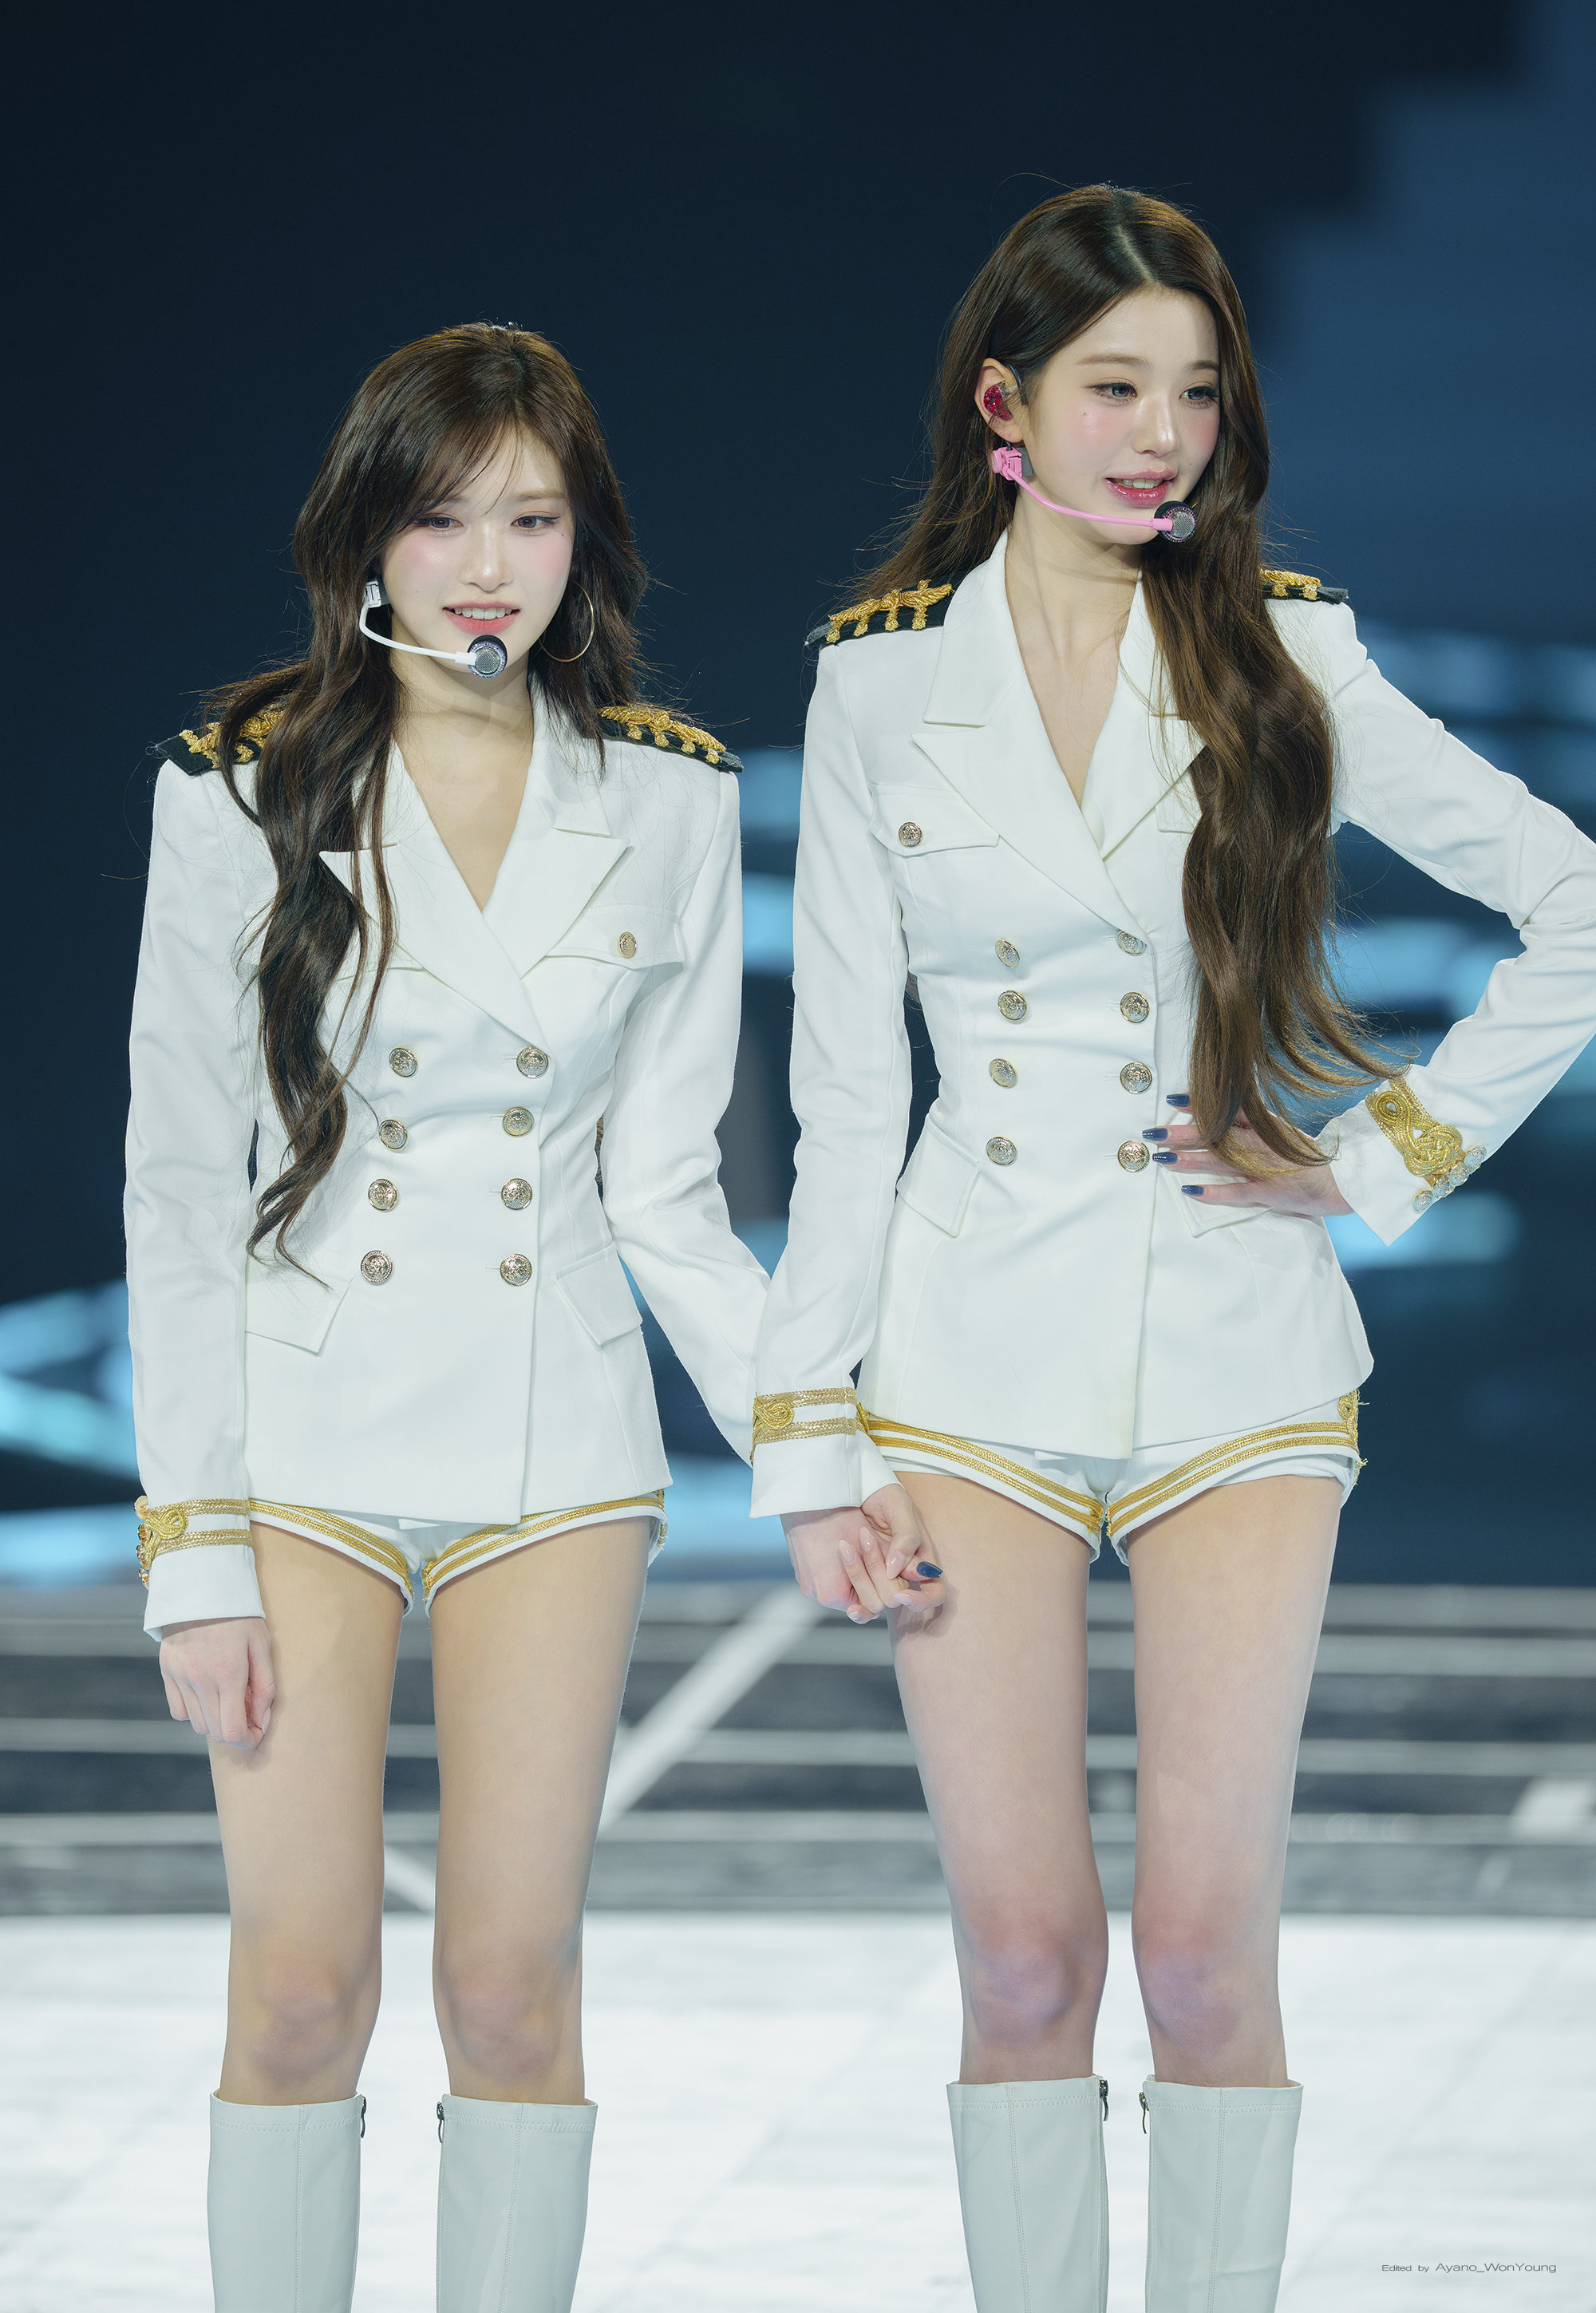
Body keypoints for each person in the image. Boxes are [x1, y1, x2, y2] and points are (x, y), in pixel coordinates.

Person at [750, 186, 1596, 2309]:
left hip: (1239, 1358)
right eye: (1116, 387)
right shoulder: (876, 687)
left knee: (1208, 1962)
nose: (1163, 435)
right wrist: (805, 1435)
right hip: (963, 1361)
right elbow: (845, 1101)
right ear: (1005, 405)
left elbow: (1574, 900)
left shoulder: (1285, 649)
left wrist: (1384, 1155)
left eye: (1198, 393)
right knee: (1027, 1962)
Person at [127, 322, 766, 2313]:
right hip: (299, 1443)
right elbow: (179, 1185)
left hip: (554, 1439)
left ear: (589, 543)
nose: (490, 567)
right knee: (299, 1990)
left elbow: (670, 1194)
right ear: (365, 541)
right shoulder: (238, 786)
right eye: (442, 519)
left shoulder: (669, 800)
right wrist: (191, 1550)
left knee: (507, 1989)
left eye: (534, 519)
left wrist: (816, 1437)